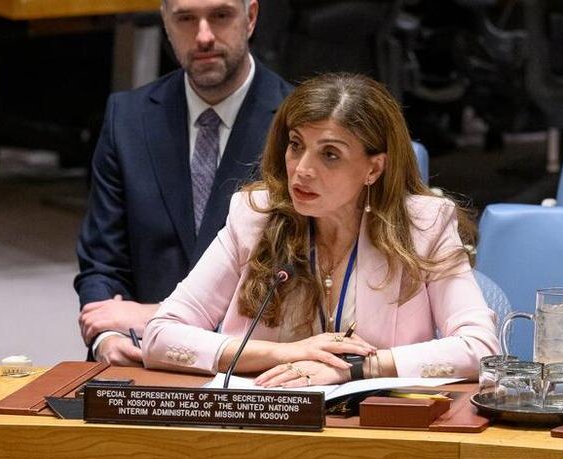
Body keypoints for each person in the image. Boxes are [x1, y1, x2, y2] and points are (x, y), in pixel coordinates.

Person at [141, 73, 499, 385]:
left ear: (374, 168)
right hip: (270, 419)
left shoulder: (424, 227)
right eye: (296, 146)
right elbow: (161, 334)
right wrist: (288, 354)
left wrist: (357, 368)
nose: (302, 170)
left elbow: (481, 348)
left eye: (330, 154)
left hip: (378, 427)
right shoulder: (255, 217)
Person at [75, 0, 292, 365]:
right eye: (186, 19)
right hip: (138, 356)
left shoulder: (299, 126)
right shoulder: (127, 118)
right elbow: (102, 262)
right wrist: (107, 337)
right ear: (166, 23)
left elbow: (300, 281)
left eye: (220, 16)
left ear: (251, 17)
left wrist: (157, 317)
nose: (203, 36)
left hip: (254, 366)